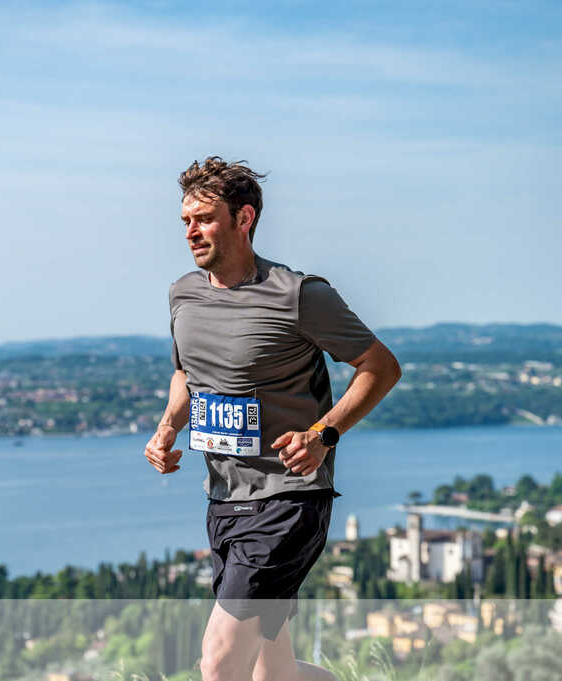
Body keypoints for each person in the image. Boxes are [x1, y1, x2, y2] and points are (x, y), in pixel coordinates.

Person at [144, 156, 401, 681]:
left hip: (288, 500)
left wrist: (323, 434)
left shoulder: (299, 295)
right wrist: (168, 426)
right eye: (186, 221)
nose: (191, 232)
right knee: (271, 670)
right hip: (225, 500)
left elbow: (380, 367)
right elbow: (186, 375)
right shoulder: (183, 295)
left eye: (204, 219)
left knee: (219, 661)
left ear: (244, 219)